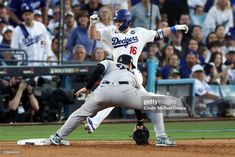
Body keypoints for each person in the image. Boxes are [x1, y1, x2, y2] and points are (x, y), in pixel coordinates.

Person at [86, 9, 188, 146]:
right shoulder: (111, 31)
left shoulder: (140, 32)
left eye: (120, 21)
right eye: (116, 21)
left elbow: (159, 34)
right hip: (116, 71)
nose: (117, 23)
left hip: (132, 72)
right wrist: (92, 24)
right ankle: (161, 136)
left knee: (147, 102)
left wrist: (175, 28)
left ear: (127, 21)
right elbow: (93, 36)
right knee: (144, 101)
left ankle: (158, 135)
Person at [49, 54, 185, 146]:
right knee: (154, 104)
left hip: (103, 91)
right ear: (130, 64)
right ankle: (162, 136)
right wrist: (139, 122)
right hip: (126, 92)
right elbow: (138, 104)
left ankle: (57, 137)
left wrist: (88, 87)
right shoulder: (133, 74)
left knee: (80, 113)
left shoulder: (109, 62)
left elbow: (98, 69)